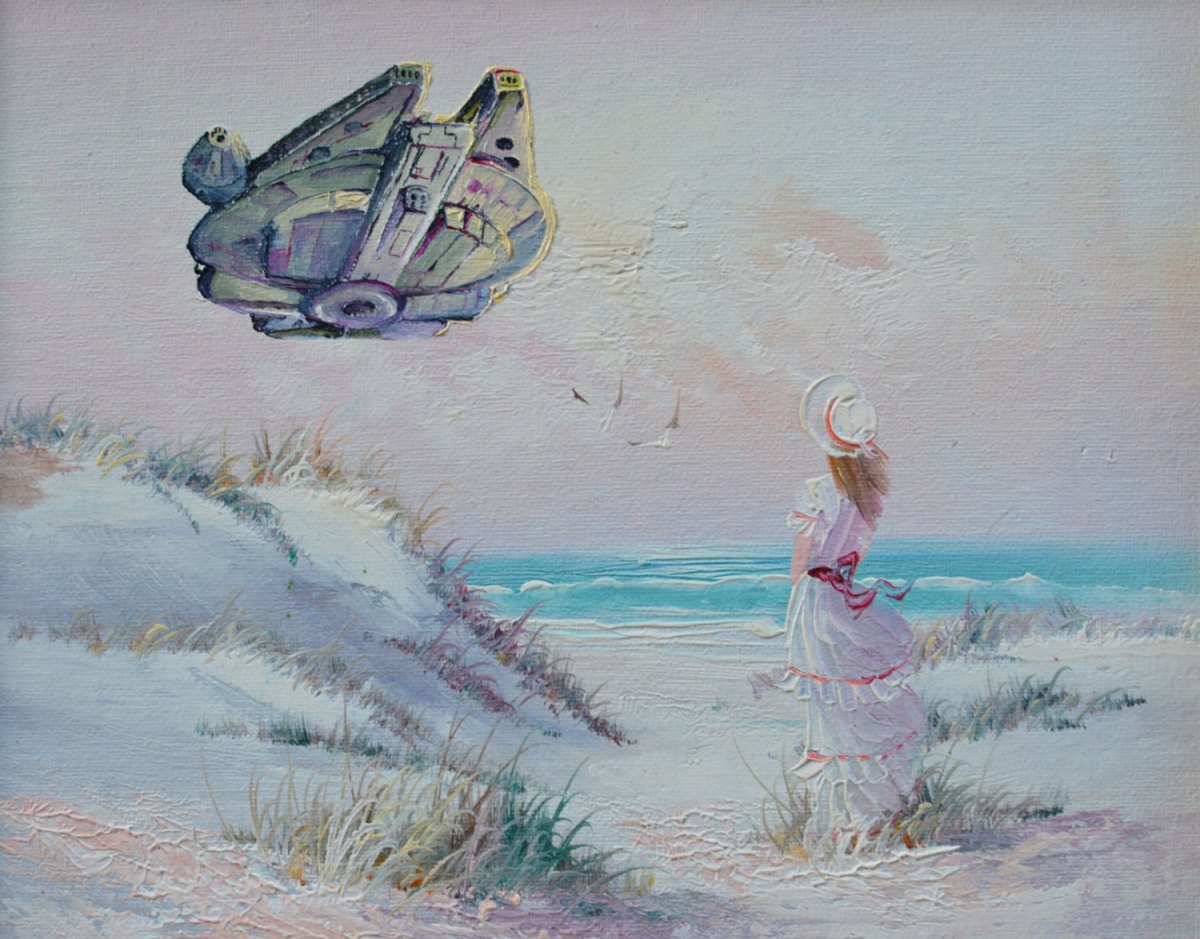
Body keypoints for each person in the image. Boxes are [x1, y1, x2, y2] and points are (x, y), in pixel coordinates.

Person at [781, 375, 925, 860]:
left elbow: (799, 568)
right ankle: (871, 818)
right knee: (861, 712)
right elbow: (853, 557)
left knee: (833, 715)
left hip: (817, 603)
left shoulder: (816, 491)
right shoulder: (868, 493)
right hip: (846, 599)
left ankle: (846, 826)